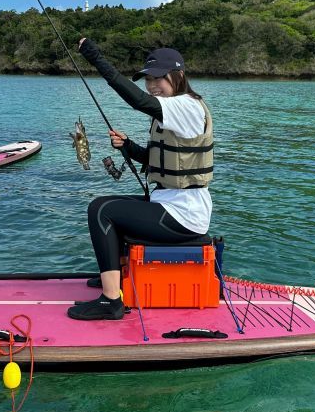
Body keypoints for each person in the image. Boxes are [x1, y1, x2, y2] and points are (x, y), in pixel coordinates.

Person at [67, 40, 214, 321]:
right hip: (173, 206)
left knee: (101, 210)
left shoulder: (188, 105)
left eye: (158, 77)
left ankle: (111, 301)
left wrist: (94, 57)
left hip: (184, 214)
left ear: (178, 76)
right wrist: (128, 146)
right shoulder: (172, 111)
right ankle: (114, 277)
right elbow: (157, 159)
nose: (151, 85)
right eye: (148, 79)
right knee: (109, 205)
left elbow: (137, 100)